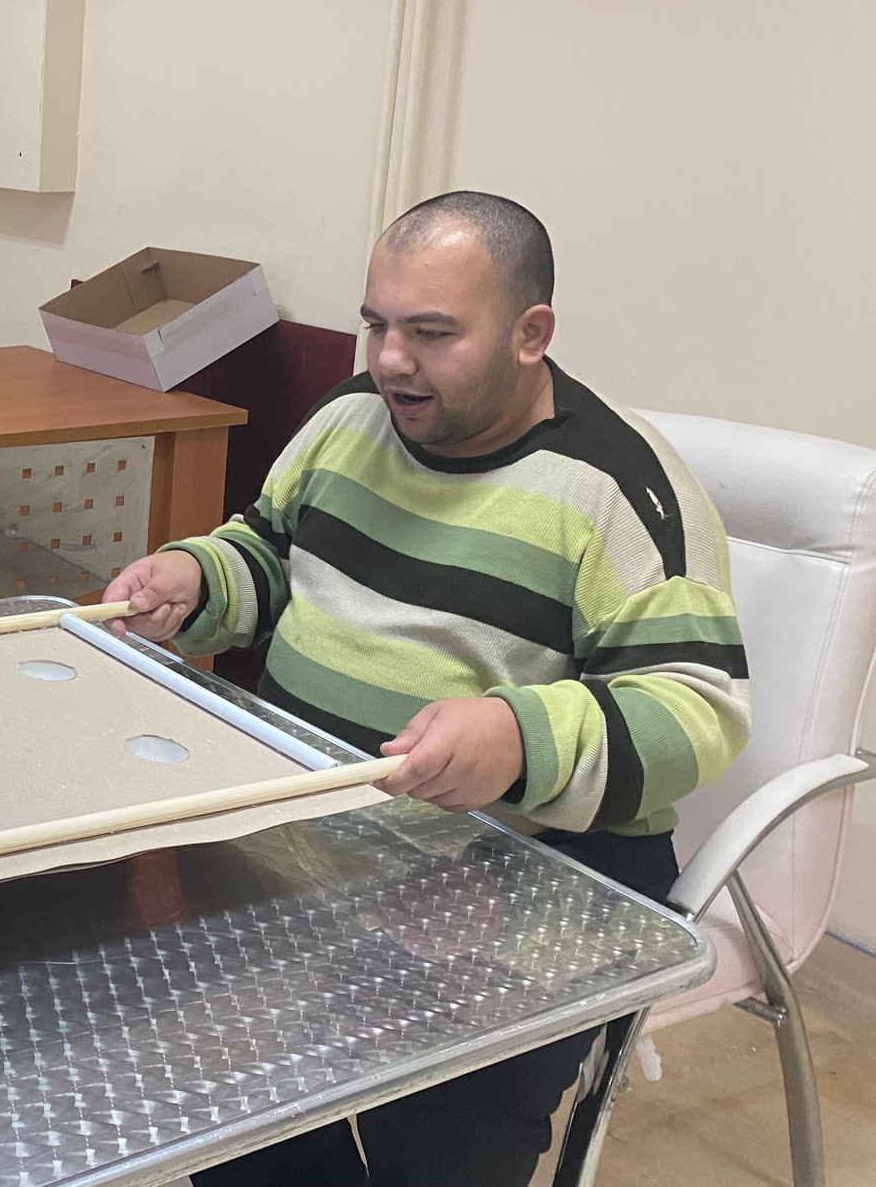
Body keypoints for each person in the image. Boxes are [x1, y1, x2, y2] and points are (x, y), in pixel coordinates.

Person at [106, 191, 748, 1187]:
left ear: (531, 333)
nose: (390, 361)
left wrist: (518, 738)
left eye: (432, 333)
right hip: (312, 843)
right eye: (376, 324)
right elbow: (271, 552)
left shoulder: (614, 490)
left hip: (516, 883)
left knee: (439, 1149)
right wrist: (199, 579)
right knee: (229, 1109)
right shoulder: (348, 419)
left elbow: (696, 709)